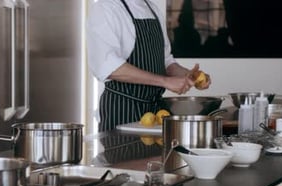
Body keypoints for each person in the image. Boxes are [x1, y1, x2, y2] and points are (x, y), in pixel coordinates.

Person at [86, 0, 211, 132]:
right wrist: (165, 81)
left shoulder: (152, 9)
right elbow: (110, 68)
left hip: (156, 112)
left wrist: (190, 76)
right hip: (122, 109)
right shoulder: (105, 8)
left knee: (157, 153)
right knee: (122, 152)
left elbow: (166, 61)